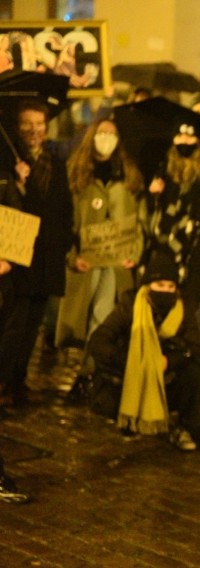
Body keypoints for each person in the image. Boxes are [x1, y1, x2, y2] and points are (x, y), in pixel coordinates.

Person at [87, 251, 200, 451]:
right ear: (148, 285)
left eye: (171, 286)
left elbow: (195, 346)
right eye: (160, 285)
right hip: (131, 375)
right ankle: (131, 418)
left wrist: (169, 361)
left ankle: (182, 426)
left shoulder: (184, 309)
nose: (165, 291)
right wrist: (129, 360)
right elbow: (99, 340)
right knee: (107, 402)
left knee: (196, 374)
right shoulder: (131, 305)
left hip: (166, 374)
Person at [0, 99, 73, 408]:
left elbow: (64, 209)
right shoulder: (7, 162)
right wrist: (18, 183)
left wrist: (67, 247)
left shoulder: (55, 164)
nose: (34, 130)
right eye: (27, 124)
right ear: (17, 128)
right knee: (12, 325)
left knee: (33, 327)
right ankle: (2, 379)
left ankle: (18, 379)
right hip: (18, 256)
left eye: (39, 124)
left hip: (47, 258)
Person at [143, 118, 200, 362]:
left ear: (199, 140)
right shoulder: (164, 165)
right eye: (180, 136)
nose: (184, 141)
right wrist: (153, 194)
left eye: (190, 137)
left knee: (193, 308)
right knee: (166, 303)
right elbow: (154, 211)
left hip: (196, 249)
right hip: (166, 249)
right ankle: (168, 356)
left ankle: (198, 361)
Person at [55, 118, 145, 349]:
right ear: (91, 136)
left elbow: (140, 220)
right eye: (102, 133)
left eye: (112, 134)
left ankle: (93, 366)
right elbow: (64, 220)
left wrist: (134, 253)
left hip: (116, 259)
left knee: (104, 312)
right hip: (86, 257)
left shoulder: (129, 175)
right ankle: (80, 361)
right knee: (79, 313)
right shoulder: (75, 173)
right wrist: (72, 256)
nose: (106, 139)